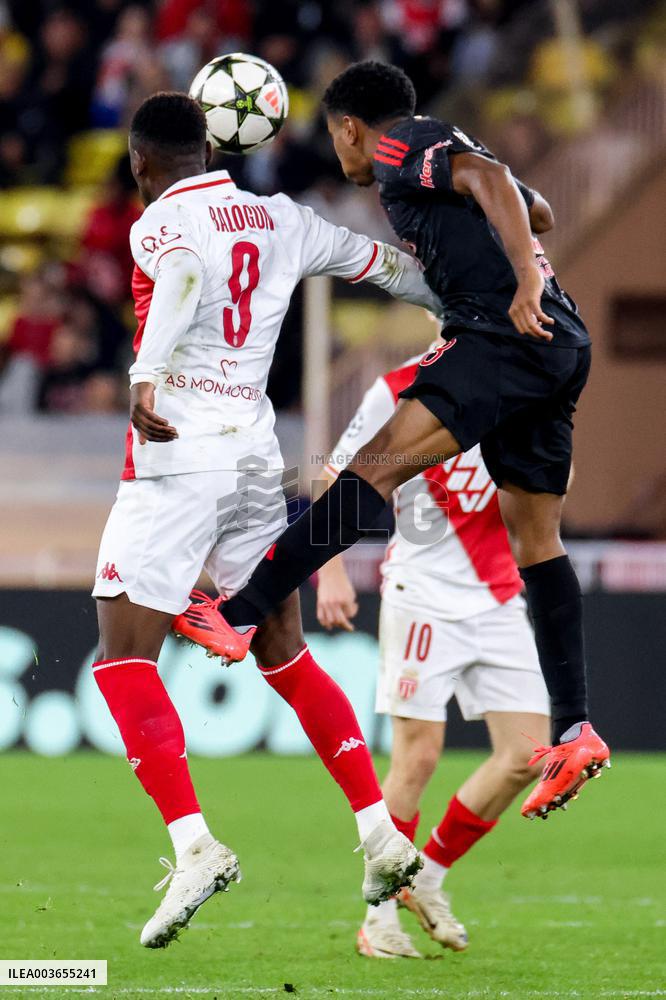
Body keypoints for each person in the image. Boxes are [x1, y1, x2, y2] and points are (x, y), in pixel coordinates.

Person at [174, 61, 610, 821]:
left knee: (370, 471)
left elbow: (495, 184)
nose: (340, 153)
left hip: (499, 334)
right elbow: (534, 208)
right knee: (538, 541)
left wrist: (521, 280)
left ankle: (241, 614)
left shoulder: (398, 146)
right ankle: (575, 729)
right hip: (560, 345)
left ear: (349, 127)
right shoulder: (448, 146)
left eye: (334, 136)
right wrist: (507, 228)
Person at [93, 91, 444, 948]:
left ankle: (194, 847)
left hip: (178, 456)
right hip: (255, 454)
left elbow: (181, 276)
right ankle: (378, 830)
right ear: (213, 150)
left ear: (141, 164)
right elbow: (383, 265)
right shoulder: (283, 218)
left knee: (122, 655)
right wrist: (458, 304)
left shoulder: (158, 223)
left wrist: (145, 376)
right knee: (284, 649)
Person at [315, 349, 550, 958]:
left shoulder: (527, 383)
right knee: (417, 758)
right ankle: (378, 918)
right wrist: (330, 570)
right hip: (422, 594)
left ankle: (430, 875)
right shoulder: (398, 387)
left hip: (498, 596)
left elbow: (548, 488)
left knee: (528, 755)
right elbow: (336, 473)